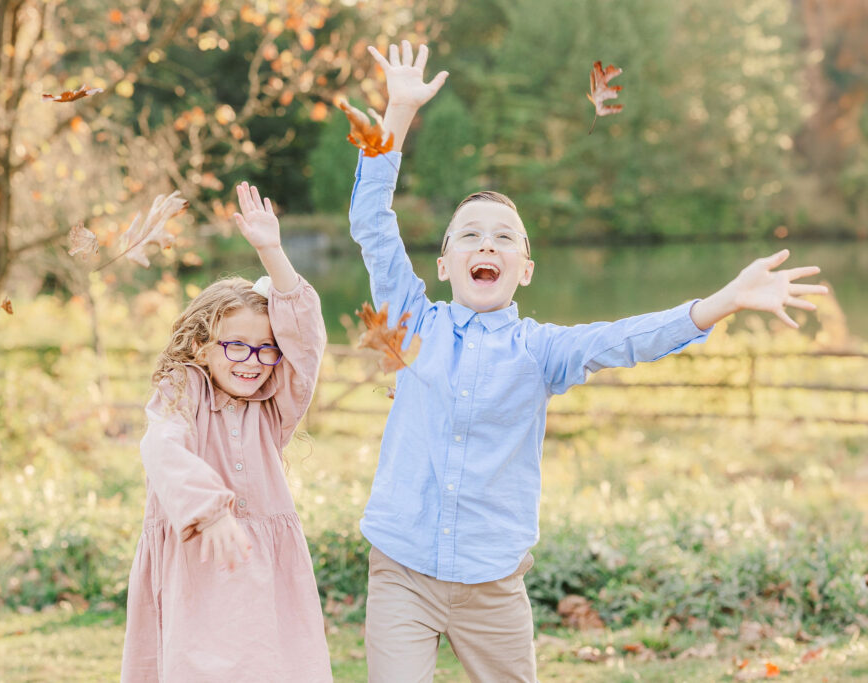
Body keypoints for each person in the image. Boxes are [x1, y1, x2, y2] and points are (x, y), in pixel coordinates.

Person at [349, 40, 829, 683]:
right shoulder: (413, 321)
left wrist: (723, 302)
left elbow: (627, 338)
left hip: (492, 585)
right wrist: (399, 114)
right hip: (402, 569)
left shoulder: (541, 351)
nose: (484, 243)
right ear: (444, 265)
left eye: (503, 237)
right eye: (468, 234)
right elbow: (373, 224)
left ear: (524, 269)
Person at [121, 182, 331, 682]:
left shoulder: (275, 406)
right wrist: (209, 511)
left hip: (266, 579)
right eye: (237, 345)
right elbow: (162, 445)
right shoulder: (182, 388)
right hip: (197, 567)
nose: (253, 362)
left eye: (265, 349)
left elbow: (306, 339)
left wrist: (272, 253)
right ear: (202, 344)